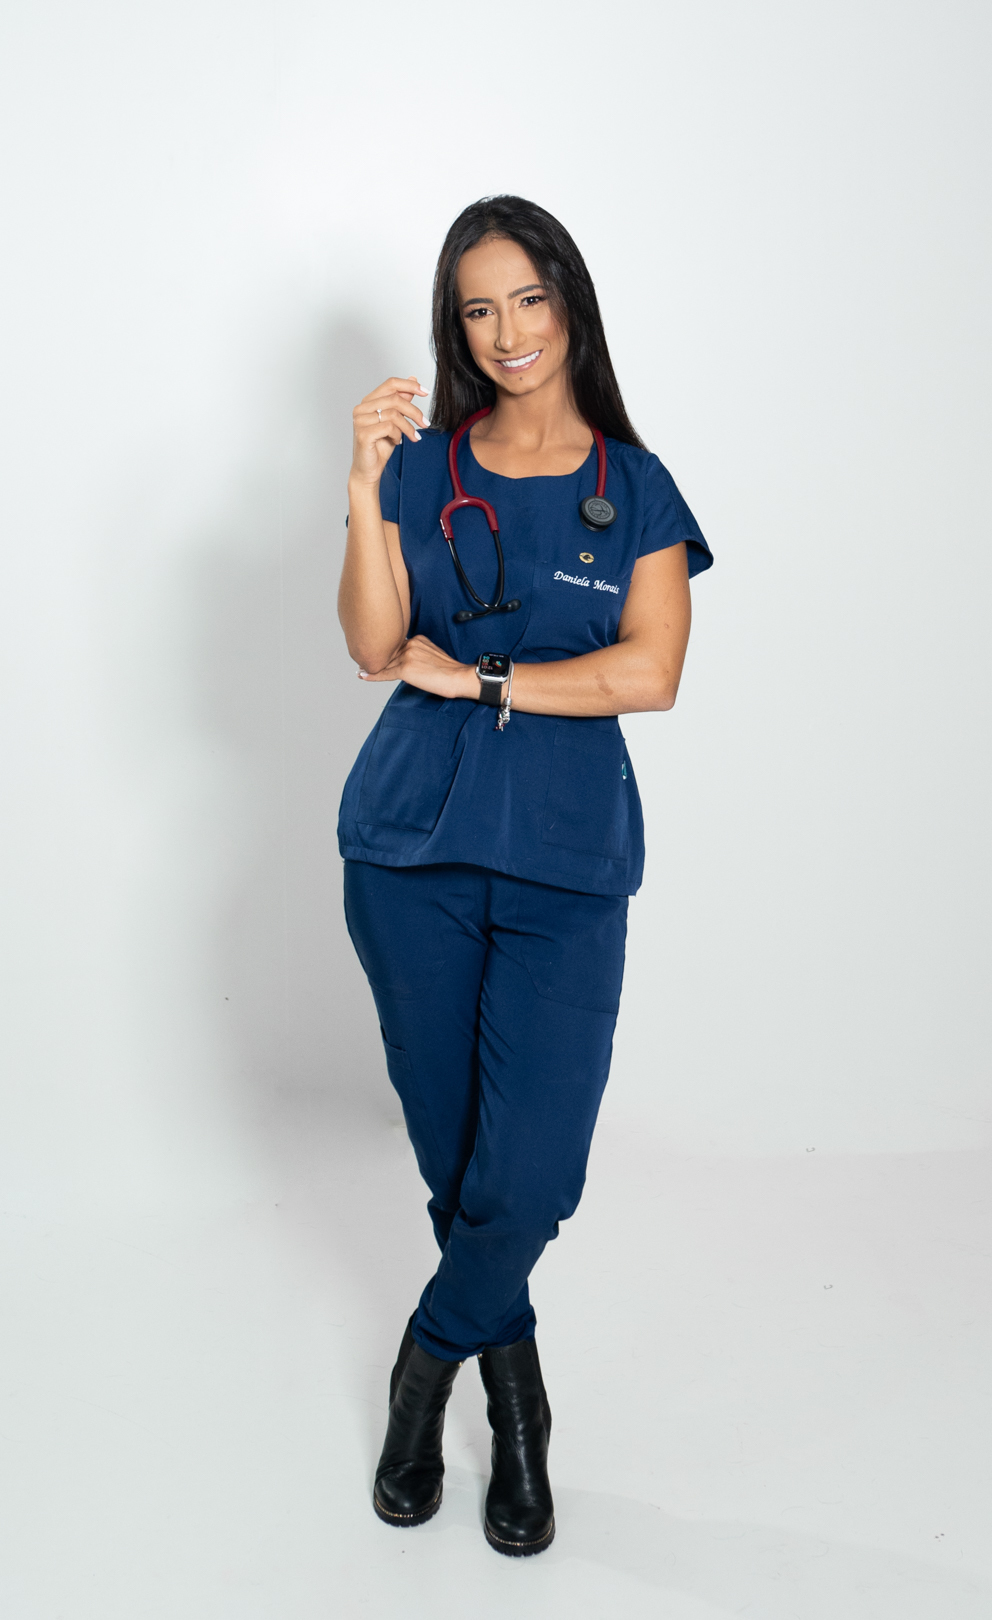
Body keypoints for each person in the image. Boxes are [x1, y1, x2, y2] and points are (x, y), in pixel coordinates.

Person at [336, 195, 712, 1556]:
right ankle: (519, 1397)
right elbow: (374, 645)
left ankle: (429, 1361)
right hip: (409, 850)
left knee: (534, 1174)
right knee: (461, 1164)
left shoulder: (637, 485)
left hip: (565, 862)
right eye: (479, 308)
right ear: (459, 327)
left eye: (530, 299)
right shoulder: (421, 469)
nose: (508, 331)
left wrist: (486, 676)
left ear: (570, 304)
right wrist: (364, 487)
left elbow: (651, 673)